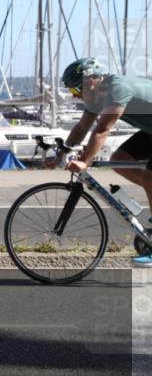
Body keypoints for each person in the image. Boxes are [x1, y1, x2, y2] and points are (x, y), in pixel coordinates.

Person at [58, 58, 152, 266]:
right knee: (119, 160)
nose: (77, 96)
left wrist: (84, 161)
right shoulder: (95, 98)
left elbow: (102, 130)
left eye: (76, 90)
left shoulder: (117, 88)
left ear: (90, 81)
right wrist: (62, 151)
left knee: (149, 177)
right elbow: (82, 128)